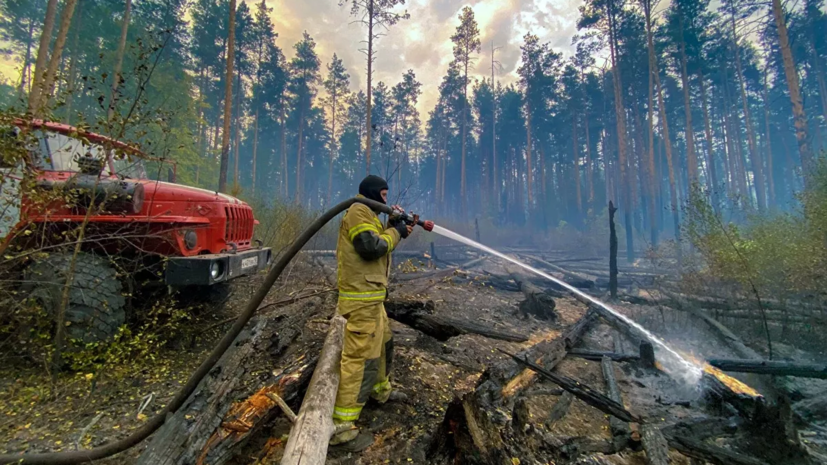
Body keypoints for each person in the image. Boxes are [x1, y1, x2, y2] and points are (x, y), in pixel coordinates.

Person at [330, 175, 413, 451]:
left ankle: (380, 392)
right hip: (360, 302)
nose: (387, 201)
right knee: (360, 359)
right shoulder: (358, 211)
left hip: (372, 301)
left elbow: (378, 240)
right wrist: (396, 232)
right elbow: (370, 248)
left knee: (384, 343)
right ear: (373, 193)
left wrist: (393, 227)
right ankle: (342, 427)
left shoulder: (369, 215)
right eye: (385, 195)